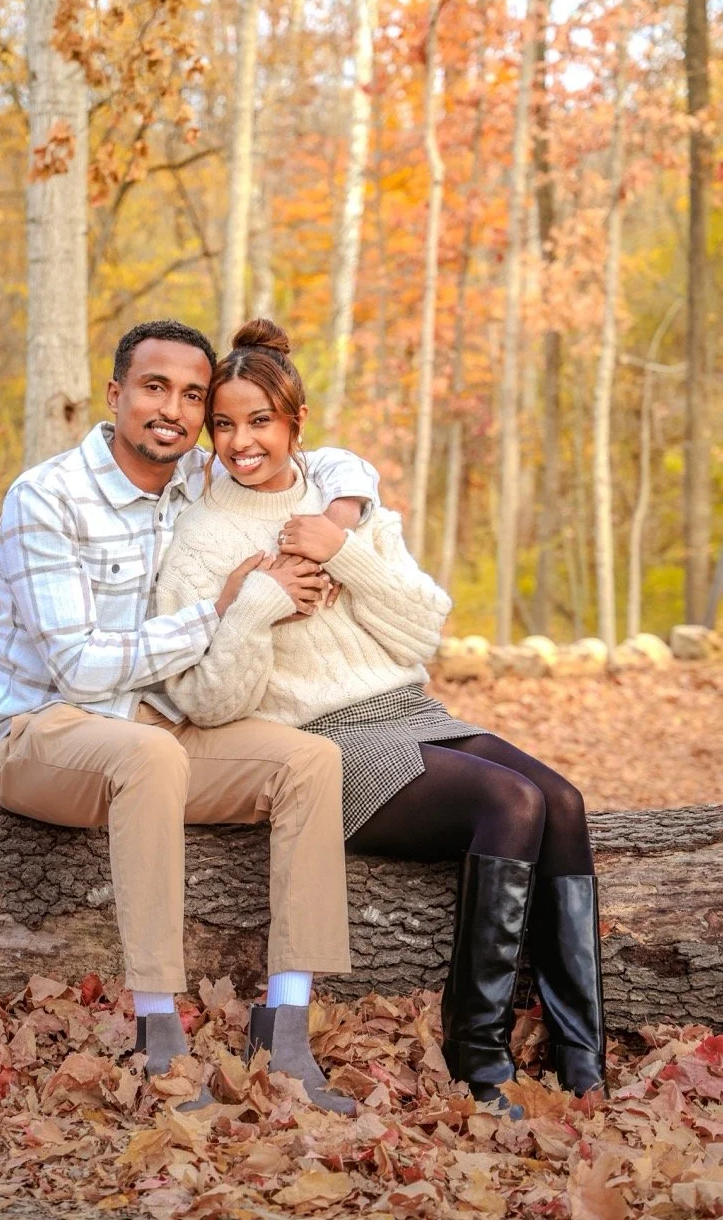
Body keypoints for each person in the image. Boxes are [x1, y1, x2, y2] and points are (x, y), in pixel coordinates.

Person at [156, 317, 608, 1105]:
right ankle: (481, 1059)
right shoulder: (198, 536)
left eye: (259, 421)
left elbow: (421, 627)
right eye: (223, 424)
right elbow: (209, 700)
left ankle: (581, 1058)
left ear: (296, 423)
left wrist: (344, 551)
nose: (240, 441)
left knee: (562, 801)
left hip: (408, 709)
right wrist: (255, 607)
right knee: (510, 802)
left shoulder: (348, 511)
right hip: (319, 741)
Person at [0, 318, 382, 1115]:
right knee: (146, 757)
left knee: (307, 760)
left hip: (158, 723)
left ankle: (284, 1028)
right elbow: (78, 666)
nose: (175, 408)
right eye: (155, 386)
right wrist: (221, 609)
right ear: (115, 391)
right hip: (43, 732)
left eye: (193, 395)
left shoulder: (195, 475)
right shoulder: (46, 496)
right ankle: (158, 1031)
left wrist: (338, 514)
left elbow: (329, 456)